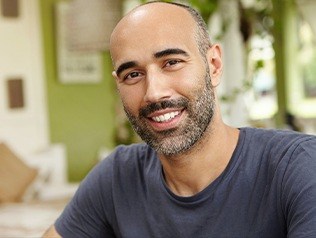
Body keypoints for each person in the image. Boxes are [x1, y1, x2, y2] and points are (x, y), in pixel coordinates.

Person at [43, 1, 316, 237]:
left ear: (214, 65)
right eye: (133, 75)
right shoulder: (117, 177)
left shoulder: (298, 167)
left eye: (171, 62)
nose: (153, 92)